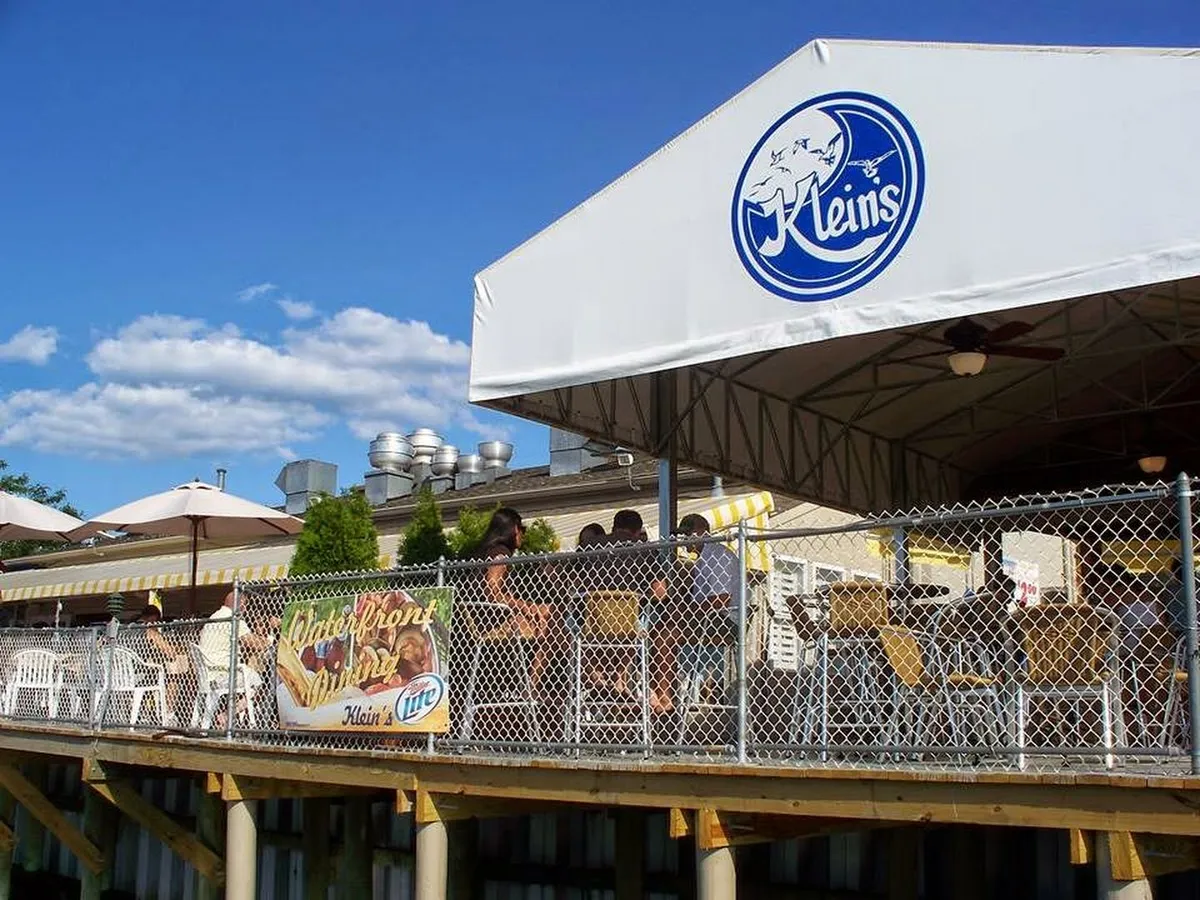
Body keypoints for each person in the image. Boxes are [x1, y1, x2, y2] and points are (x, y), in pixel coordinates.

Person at [475, 507, 557, 695]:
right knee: (553, 626)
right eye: (522, 529)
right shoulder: (501, 553)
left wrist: (529, 607)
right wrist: (525, 607)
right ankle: (533, 687)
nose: (523, 535)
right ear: (513, 529)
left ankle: (586, 676)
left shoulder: (485, 551)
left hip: (483, 617)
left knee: (549, 613)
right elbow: (492, 590)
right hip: (491, 622)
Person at [198, 592, 271, 725]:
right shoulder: (233, 619)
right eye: (245, 605)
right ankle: (227, 715)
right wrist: (270, 640)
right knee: (261, 684)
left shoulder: (213, 617)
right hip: (224, 673)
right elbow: (255, 644)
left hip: (208, 673)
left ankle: (225, 718)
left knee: (248, 676)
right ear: (241, 605)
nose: (245, 609)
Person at [135, 605, 186, 726]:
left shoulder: (128, 629)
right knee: (174, 676)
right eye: (157, 621)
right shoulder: (150, 631)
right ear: (153, 618)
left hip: (124, 674)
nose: (157, 624)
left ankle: (144, 712)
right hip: (142, 674)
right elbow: (170, 653)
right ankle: (168, 713)